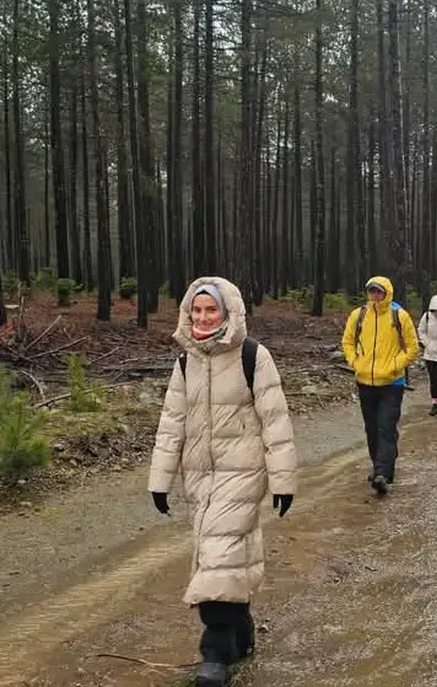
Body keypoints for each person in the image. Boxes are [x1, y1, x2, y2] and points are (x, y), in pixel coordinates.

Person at [148, 277, 297, 687]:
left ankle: (214, 653)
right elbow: (172, 422)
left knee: (217, 555)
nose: (202, 317)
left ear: (227, 312)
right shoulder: (186, 361)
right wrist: (160, 479)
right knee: (226, 556)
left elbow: (275, 421)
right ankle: (240, 629)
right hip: (199, 479)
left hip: (244, 474)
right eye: (196, 310)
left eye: (211, 309)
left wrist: (283, 481)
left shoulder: (253, 356)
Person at [341, 276, 420, 495]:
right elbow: (347, 341)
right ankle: (378, 466)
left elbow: (412, 347)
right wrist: (355, 362)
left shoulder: (399, 316)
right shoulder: (358, 315)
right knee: (372, 427)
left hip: (392, 383)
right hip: (365, 381)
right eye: (372, 291)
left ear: (387, 293)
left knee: (386, 426)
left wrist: (394, 365)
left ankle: (383, 473)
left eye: (379, 292)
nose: (375, 296)